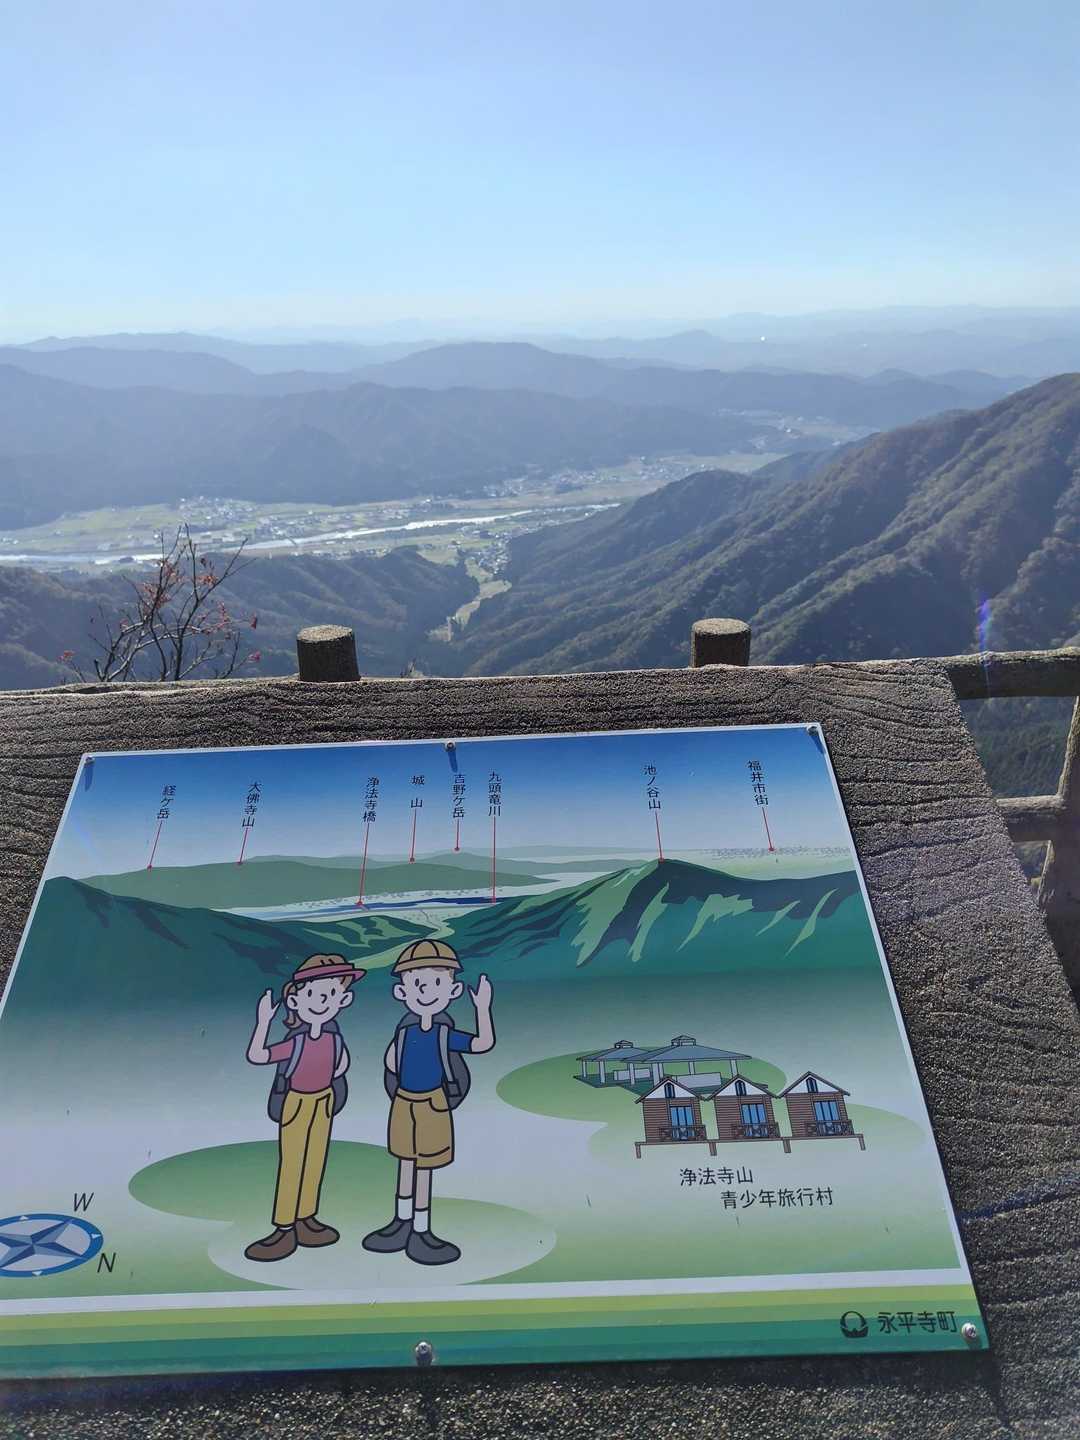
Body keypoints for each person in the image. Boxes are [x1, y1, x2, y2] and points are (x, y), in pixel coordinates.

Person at [362, 939, 494, 1265]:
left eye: (437, 982)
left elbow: (481, 1044)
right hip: (403, 1101)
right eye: (418, 983)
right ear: (402, 992)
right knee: (405, 1162)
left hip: (433, 1103)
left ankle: (421, 1230)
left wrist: (482, 1009)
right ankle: (401, 1222)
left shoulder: (443, 1033)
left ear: (453, 990)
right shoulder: (404, 1032)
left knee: (424, 1167)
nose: (426, 990)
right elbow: (392, 1063)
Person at [243, 952, 365, 1262]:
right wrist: (263, 1022)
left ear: (343, 1000)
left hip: (324, 1101)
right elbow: (258, 1056)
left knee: (315, 1160)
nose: (322, 1000)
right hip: (296, 1102)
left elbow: (340, 1067)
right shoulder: (295, 1041)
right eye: (313, 993)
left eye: (331, 993)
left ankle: (306, 1218)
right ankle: (284, 1227)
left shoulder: (334, 1038)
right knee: (292, 1163)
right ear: (296, 1001)